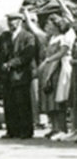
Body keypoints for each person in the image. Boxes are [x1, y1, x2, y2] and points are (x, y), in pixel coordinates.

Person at [31, 12, 75, 140]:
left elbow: (59, 56)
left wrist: (48, 67)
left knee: (57, 101)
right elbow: (36, 31)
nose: (47, 26)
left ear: (56, 26)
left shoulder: (62, 38)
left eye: (49, 24)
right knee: (49, 100)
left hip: (56, 69)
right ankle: (54, 127)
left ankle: (61, 128)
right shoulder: (50, 38)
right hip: (48, 69)